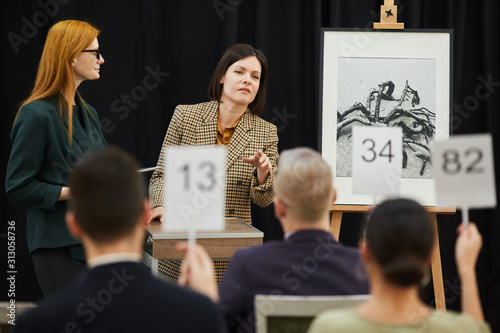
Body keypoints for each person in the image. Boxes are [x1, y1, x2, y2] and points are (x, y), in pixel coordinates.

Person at [13, 148, 225, 333]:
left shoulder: (34, 324)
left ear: (74, 225)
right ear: (145, 213)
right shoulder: (196, 314)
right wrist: (210, 306)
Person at [178, 147, 369, 333]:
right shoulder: (365, 267)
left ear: (278, 207)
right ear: (333, 197)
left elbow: (213, 326)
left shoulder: (249, 264)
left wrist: (205, 297)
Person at [5, 20, 107, 296]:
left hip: (95, 242)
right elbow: (18, 186)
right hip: (58, 248)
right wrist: (74, 192)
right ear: (73, 56)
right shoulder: (36, 114)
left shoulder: (90, 113)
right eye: (95, 53)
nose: (102, 59)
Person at [308, 198, 491, 333]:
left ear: (365, 252)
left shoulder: (330, 327)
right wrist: (467, 270)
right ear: (430, 257)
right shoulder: (460, 329)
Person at [148, 43, 278, 224]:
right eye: (239, 72)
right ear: (222, 76)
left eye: (255, 77)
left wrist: (262, 171)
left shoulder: (266, 131)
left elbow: (263, 200)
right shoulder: (185, 116)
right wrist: (160, 205)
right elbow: (161, 176)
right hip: (183, 226)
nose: (247, 80)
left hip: (233, 235)